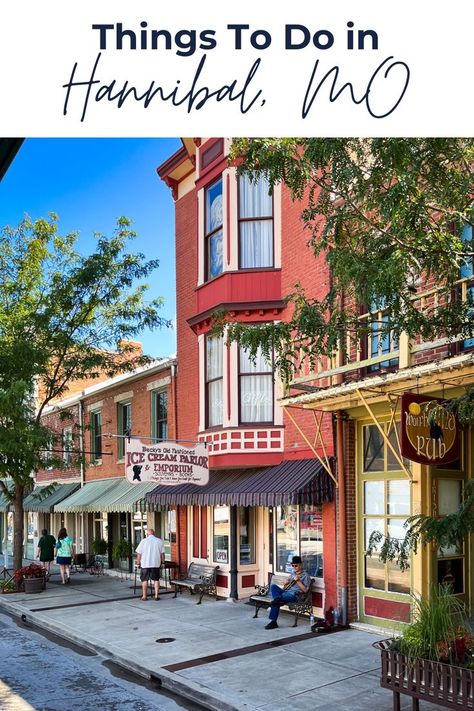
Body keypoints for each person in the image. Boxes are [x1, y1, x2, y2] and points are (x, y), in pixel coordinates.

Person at [265, 555, 311, 629]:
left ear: (300, 565)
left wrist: (298, 581)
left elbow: (305, 590)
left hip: (295, 595)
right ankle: (277, 600)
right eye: (292, 566)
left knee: (276, 602)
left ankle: (273, 622)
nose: (294, 567)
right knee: (273, 586)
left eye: (296, 565)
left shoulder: (306, 576)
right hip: (285, 592)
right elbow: (285, 586)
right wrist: (286, 583)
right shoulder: (292, 574)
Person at [135, 529, 165, 601]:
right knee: (156, 580)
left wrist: (138, 562)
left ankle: (144, 596)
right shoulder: (159, 541)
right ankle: (156, 596)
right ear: (154, 533)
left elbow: (139, 554)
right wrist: (163, 563)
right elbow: (162, 554)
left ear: (147, 534)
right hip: (155, 564)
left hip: (145, 564)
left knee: (144, 580)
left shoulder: (143, 541)